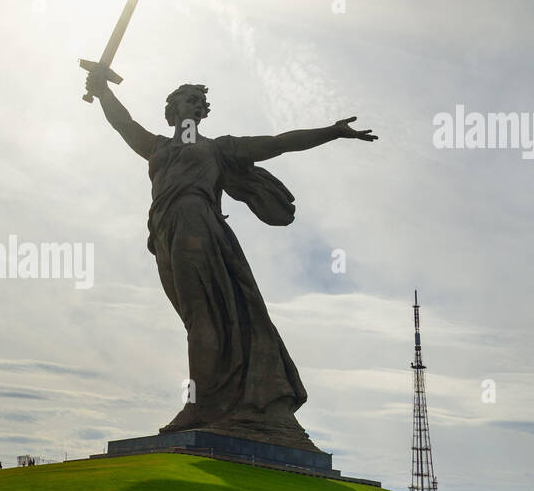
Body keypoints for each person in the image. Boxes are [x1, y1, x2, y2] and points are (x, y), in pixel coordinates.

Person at [84, 73, 376, 450]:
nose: (192, 105)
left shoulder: (217, 149)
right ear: (171, 110)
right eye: (185, 100)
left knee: (201, 315)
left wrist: (331, 132)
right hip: (163, 231)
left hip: (197, 223)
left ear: (202, 113)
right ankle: (214, 399)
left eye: (196, 101)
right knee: (194, 317)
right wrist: (103, 89)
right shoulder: (156, 147)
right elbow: (122, 122)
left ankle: (199, 404)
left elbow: (279, 143)